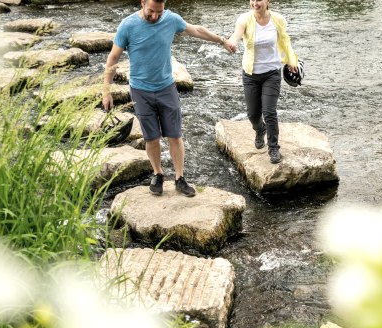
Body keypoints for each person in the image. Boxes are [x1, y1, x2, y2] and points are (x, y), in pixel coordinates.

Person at [102, 0, 235, 197]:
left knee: (175, 135)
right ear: (142, 3)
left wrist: (222, 41)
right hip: (140, 90)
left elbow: (197, 30)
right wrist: (106, 91)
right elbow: (113, 58)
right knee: (151, 137)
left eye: (159, 12)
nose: (155, 16)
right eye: (151, 12)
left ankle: (180, 178)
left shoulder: (171, 19)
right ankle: (158, 174)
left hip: (166, 87)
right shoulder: (127, 25)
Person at [225, 0, 298, 164]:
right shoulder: (244, 19)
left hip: (272, 73)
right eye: (252, 0)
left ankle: (273, 148)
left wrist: (291, 60)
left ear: (268, 1)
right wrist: (232, 42)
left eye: (259, 0)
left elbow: (285, 41)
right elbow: (236, 35)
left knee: (269, 112)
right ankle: (260, 129)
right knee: (252, 114)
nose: (255, 3)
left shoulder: (278, 19)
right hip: (250, 75)